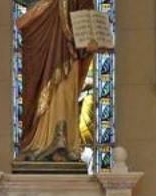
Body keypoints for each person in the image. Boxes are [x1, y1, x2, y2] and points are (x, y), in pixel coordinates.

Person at [16, 0, 98, 163]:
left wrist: (90, 39)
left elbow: (85, 11)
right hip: (42, 38)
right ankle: (38, 144)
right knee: (41, 91)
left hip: (69, 51)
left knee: (65, 91)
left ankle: (65, 143)